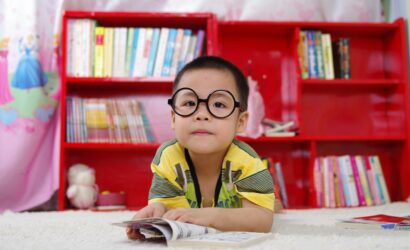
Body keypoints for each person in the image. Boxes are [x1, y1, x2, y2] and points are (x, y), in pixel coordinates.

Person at [127, 56, 274, 239]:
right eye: (189, 103)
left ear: (240, 122)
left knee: (271, 205)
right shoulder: (168, 157)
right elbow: (169, 207)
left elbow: (263, 219)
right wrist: (158, 210)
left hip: (243, 205)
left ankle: (275, 201)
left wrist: (210, 215)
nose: (202, 115)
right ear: (173, 118)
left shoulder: (248, 161)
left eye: (219, 104)